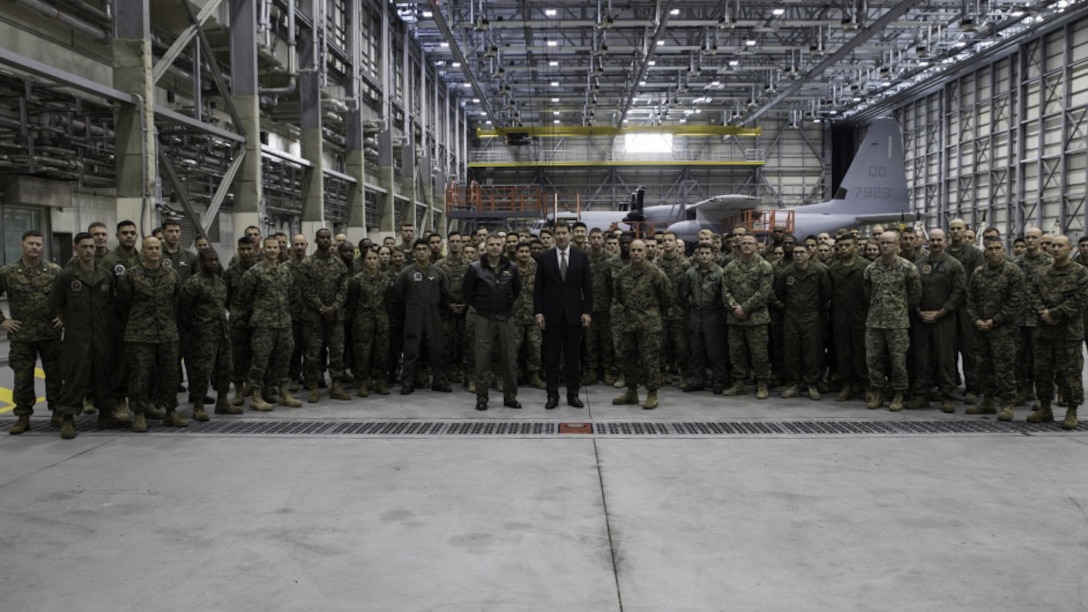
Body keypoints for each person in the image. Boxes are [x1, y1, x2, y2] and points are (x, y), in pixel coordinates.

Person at [51, 232, 127, 435]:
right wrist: (61, 317)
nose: (89, 250)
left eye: (91, 247)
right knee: (76, 376)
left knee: (104, 375)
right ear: (76, 249)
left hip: (102, 335)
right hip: (77, 336)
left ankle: (106, 416)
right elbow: (55, 303)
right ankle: (67, 418)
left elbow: (111, 303)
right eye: (84, 247)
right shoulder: (67, 275)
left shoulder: (105, 275)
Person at [116, 236, 186, 432]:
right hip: (139, 334)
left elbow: (177, 302)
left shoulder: (172, 276)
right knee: (139, 375)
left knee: (170, 374)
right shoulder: (131, 276)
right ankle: (139, 414)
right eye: (150, 248)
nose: (154, 252)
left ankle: (171, 411)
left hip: (167, 332)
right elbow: (123, 304)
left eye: (157, 248)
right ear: (143, 251)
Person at [1, 230, 64, 435]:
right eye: (30, 244)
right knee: (22, 378)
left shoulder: (54, 271)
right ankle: (23, 417)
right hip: (22, 335)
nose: (34, 247)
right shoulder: (8, 272)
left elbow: (68, 297)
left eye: (38, 244)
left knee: (55, 376)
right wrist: (3, 321)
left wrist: (64, 317)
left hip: (50, 333)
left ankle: (58, 413)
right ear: (22, 245)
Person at [1027, 236, 1088, 428]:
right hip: (1044, 332)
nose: (1055, 249)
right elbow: (1032, 294)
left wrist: (1054, 313)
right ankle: (1045, 408)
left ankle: (1071, 410)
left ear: (1070, 249)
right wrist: (1042, 312)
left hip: (1068, 332)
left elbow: (1080, 298)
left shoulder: (1081, 273)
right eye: (1053, 246)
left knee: (1070, 373)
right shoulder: (1042, 272)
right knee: (1042, 371)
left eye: (1060, 246)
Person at [533, 221, 593, 409]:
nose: (561, 236)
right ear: (553, 236)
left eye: (564, 233)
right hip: (551, 315)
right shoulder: (545, 258)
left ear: (570, 235)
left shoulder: (581, 257)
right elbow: (537, 289)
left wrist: (587, 311)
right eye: (557, 233)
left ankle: (573, 394)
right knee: (551, 358)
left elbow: (588, 288)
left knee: (573, 357)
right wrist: (538, 312)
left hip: (575, 315)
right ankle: (552, 395)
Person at [238, 237, 300, 411]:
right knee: (260, 361)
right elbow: (244, 299)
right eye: (269, 247)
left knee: (284, 359)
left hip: (284, 324)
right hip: (263, 325)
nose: (272, 250)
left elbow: (292, 296)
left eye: (275, 247)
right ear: (262, 250)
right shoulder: (254, 272)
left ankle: (284, 393)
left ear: (279, 250)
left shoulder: (285, 271)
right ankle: (256, 397)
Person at [908, 229, 966, 413]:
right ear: (927, 242)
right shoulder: (918, 265)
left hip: (945, 320)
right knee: (922, 358)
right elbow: (912, 290)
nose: (935, 243)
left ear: (945, 242)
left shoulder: (954, 265)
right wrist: (918, 310)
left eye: (939, 240)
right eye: (932, 240)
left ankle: (947, 395)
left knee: (945, 358)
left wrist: (941, 312)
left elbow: (959, 292)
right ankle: (921, 395)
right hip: (922, 319)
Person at [863, 231, 921, 411]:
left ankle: (899, 394)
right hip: (874, 323)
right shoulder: (871, 269)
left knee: (898, 361)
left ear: (898, 245)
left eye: (889, 243)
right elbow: (867, 294)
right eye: (882, 243)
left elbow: (915, 296)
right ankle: (877, 392)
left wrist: (899, 310)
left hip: (898, 324)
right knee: (873, 360)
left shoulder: (908, 268)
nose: (885, 246)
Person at [178, 247, 239, 420]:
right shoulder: (193, 284)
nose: (213, 263)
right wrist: (194, 331)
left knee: (225, 369)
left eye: (215, 259)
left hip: (222, 334)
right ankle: (198, 405)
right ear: (201, 262)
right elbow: (184, 312)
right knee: (202, 372)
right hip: (202, 336)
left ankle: (222, 402)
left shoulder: (220, 282)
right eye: (209, 260)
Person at [966, 238, 1024, 418]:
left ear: (1004, 250)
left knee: (1004, 367)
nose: (994, 252)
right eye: (990, 249)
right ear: (985, 252)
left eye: (997, 248)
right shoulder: (979, 273)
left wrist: (995, 320)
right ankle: (988, 401)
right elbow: (971, 299)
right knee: (983, 366)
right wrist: (976, 320)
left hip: (1003, 330)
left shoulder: (1013, 272)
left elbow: (1015, 302)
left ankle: (1007, 403)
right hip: (981, 329)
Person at [462, 235, 521, 411]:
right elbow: (467, 293)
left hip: (506, 317)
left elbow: (516, 290)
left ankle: (510, 397)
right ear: (485, 247)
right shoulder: (475, 268)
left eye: (498, 244)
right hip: (484, 317)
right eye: (491, 244)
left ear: (502, 247)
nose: (495, 247)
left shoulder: (512, 267)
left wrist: (505, 303)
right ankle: (482, 397)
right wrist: (482, 305)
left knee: (509, 358)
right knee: (482, 358)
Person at [611, 240, 672, 410]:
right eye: (633, 250)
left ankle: (652, 393)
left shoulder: (656, 273)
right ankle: (631, 392)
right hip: (629, 323)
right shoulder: (624, 274)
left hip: (649, 324)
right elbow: (619, 296)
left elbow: (666, 298)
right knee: (628, 359)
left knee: (650, 360)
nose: (636, 253)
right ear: (629, 252)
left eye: (639, 250)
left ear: (646, 252)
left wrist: (651, 312)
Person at [298, 228, 351, 402]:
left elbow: (344, 288)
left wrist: (334, 307)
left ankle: (335, 385)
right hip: (314, 317)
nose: (326, 240)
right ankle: (313, 386)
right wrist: (321, 307)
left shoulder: (339, 264)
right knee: (313, 353)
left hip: (335, 317)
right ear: (316, 240)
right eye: (322, 238)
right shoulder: (307, 264)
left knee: (337, 352)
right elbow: (306, 290)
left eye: (328, 238)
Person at [394, 239, 452, 394]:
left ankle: (439, 381)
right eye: (418, 249)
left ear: (429, 251)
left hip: (433, 315)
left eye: (424, 249)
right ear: (413, 252)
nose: (421, 252)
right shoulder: (406, 273)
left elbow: (445, 295)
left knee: (436, 349)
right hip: (413, 315)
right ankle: (408, 382)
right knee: (411, 349)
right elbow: (398, 294)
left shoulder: (438, 272)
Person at [775, 243, 831, 400]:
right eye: (795, 252)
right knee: (791, 350)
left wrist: (814, 307)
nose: (798, 255)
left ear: (808, 254)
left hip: (812, 314)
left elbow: (826, 292)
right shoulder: (787, 273)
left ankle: (811, 382)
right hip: (792, 314)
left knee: (812, 350)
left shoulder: (818, 271)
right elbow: (780, 292)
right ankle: (793, 383)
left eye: (801, 252)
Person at [721, 235, 774, 399]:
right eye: (743, 243)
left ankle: (762, 383)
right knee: (736, 352)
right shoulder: (730, 267)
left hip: (756, 319)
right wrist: (734, 307)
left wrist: (745, 308)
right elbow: (725, 290)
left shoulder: (764, 267)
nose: (746, 246)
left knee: (759, 353)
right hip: (735, 318)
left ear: (757, 246)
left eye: (749, 243)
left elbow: (764, 293)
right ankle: (739, 383)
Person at [679, 243, 728, 394]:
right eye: (701, 253)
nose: (704, 256)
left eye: (707, 253)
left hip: (712, 314)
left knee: (715, 349)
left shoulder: (720, 273)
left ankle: (719, 379)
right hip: (695, 314)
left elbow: (724, 295)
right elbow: (684, 293)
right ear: (697, 255)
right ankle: (697, 379)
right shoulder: (690, 273)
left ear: (713, 255)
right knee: (696, 349)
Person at [947, 219, 986, 404]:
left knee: (969, 350)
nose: (955, 232)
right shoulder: (944, 252)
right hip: (948, 308)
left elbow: (979, 281)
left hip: (967, 308)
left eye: (959, 229)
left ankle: (973, 387)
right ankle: (950, 385)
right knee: (948, 349)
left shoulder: (974, 254)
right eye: (952, 229)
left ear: (965, 231)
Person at [827, 235, 870, 401]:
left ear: (856, 246)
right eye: (841, 246)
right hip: (840, 316)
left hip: (861, 315)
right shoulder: (833, 269)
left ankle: (866, 384)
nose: (843, 249)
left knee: (862, 352)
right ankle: (846, 385)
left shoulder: (866, 267)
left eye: (847, 245)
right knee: (843, 352)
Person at [346, 247, 392, 397]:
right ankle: (361, 382)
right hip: (362, 322)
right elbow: (352, 303)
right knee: (362, 353)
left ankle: (379, 381)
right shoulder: (357, 280)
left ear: (379, 260)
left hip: (381, 321)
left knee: (381, 352)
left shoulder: (386, 280)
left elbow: (389, 303)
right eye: (369, 258)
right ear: (364, 261)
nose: (372, 261)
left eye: (375, 258)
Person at [1015, 227, 1053, 406]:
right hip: (1020, 318)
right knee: (1019, 357)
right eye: (1027, 237)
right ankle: (1023, 390)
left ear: (1040, 240)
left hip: (1040, 319)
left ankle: (1042, 395)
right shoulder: (1016, 264)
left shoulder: (1049, 263)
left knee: (1041, 359)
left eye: (1034, 237)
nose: (1030, 241)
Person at [654, 231, 691, 387]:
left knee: (681, 346)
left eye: (670, 240)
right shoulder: (656, 264)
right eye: (664, 240)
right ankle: (661, 373)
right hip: (660, 312)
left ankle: (684, 374)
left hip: (679, 312)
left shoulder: (685, 264)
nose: (667, 243)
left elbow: (689, 289)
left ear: (676, 243)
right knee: (660, 345)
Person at [435, 232, 471, 388]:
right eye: (452, 241)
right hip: (446, 311)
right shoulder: (439, 265)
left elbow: (475, 289)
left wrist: (466, 304)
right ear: (447, 244)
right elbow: (435, 290)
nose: (455, 244)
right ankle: (445, 373)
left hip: (465, 311)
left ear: (462, 244)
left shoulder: (471, 265)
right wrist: (447, 305)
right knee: (446, 343)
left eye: (458, 241)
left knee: (465, 343)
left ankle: (465, 374)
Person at [225, 236, 258, 407]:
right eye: (242, 249)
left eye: (249, 249)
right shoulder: (231, 272)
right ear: (238, 250)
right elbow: (226, 297)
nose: (246, 253)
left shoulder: (261, 269)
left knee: (259, 355)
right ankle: (239, 389)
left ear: (255, 249)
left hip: (259, 320)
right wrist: (236, 312)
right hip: (239, 321)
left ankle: (256, 388)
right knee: (238, 356)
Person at [511, 242, 545, 389]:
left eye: (526, 251)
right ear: (516, 253)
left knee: (535, 346)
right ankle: (512, 376)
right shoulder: (511, 270)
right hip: (515, 315)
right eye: (521, 251)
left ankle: (534, 375)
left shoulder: (536, 269)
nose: (524, 254)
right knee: (513, 348)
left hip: (533, 315)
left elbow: (543, 291)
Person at [584, 228, 615, 385]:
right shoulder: (583, 258)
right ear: (589, 239)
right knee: (590, 342)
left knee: (606, 341)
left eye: (599, 237)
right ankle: (592, 370)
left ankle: (607, 370)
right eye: (593, 237)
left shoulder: (611, 260)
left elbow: (614, 286)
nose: (596, 240)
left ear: (603, 239)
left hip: (606, 307)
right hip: (587, 308)